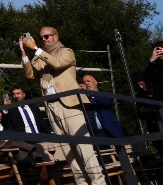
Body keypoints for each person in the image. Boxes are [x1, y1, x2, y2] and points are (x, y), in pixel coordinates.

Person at [21, 27, 107, 185]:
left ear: (55, 36)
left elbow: (58, 64)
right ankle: (82, 183)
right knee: (68, 151)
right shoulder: (40, 56)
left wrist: (35, 49)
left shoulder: (66, 51)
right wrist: (25, 54)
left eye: (47, 36)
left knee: (84, 147)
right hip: (51, 106)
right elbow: (30, 74)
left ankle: (98, 182)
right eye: (41, 38)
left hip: (69, 104)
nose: (44, 39)